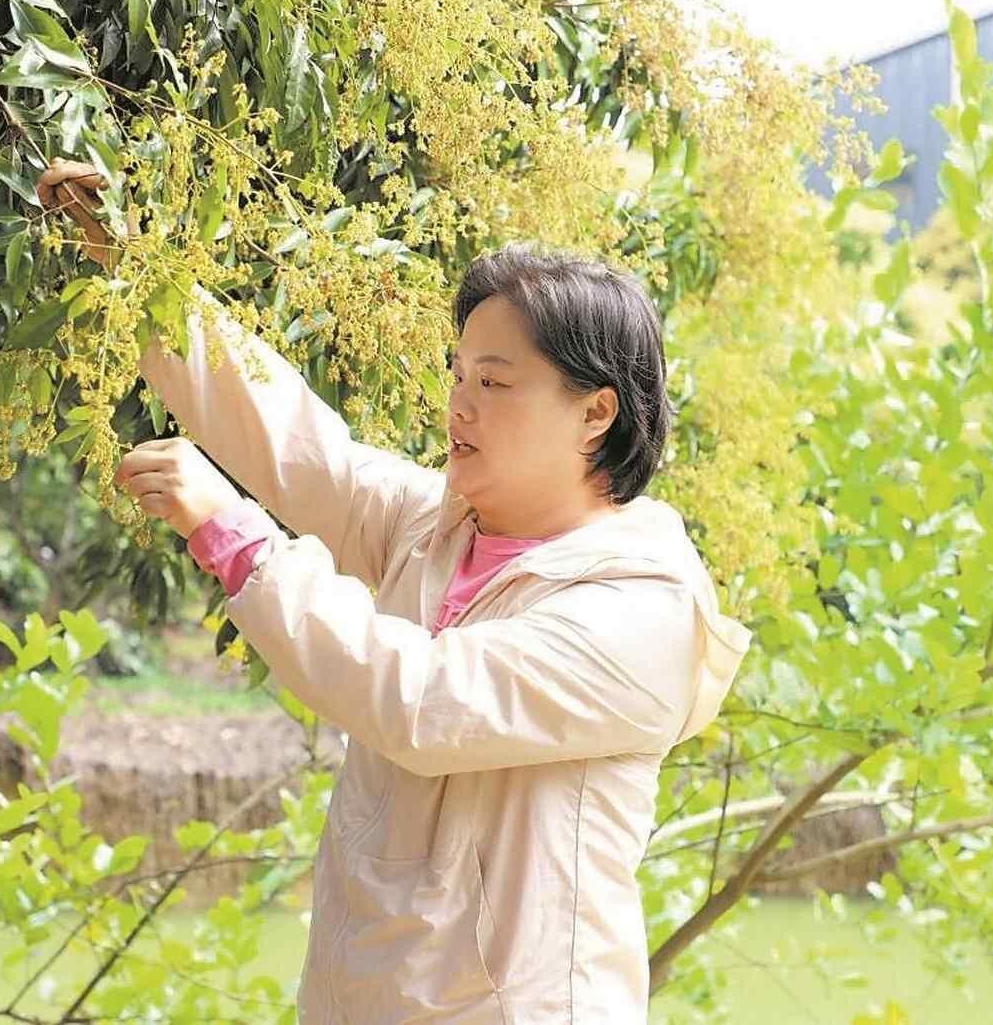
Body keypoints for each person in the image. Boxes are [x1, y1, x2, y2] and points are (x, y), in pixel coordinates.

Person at [36, 159, 752, 1024]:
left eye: (493, 382)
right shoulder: (438, 526)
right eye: (458, 375)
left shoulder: (642, 611)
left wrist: (230, 531)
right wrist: (133, 261)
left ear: (595, 413)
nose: (459, 405)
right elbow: (295, 440)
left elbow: (423, 700)